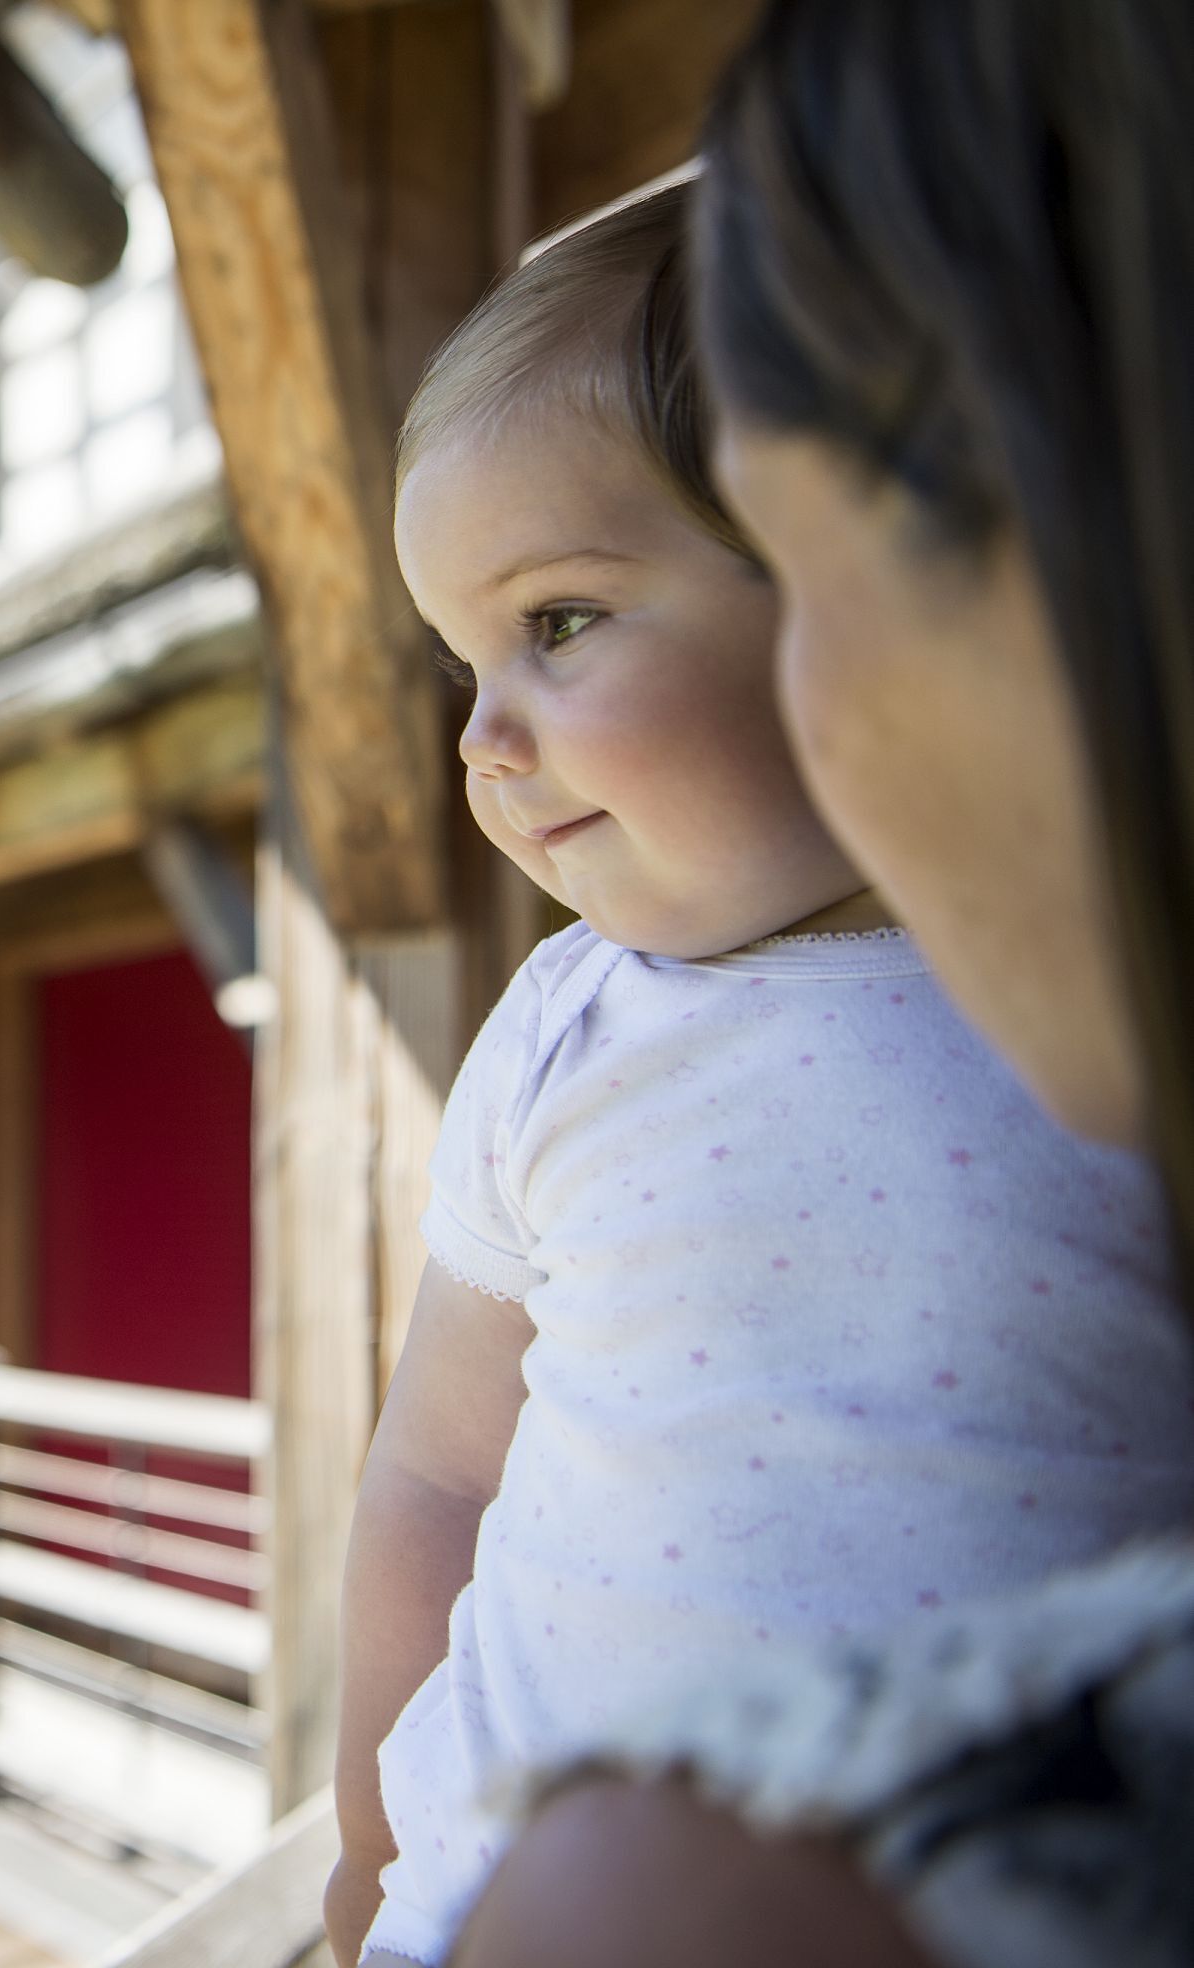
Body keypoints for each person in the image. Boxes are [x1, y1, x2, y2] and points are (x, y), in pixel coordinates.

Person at [321, 179, 1194, 1968]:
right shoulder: (572, 1027)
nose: (482, 738)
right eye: (459, 660)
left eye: (558, 621)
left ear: (880, 579)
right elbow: (431, 1477)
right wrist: (361, 1849)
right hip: (486, 1913)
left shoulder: (1129, 1007)